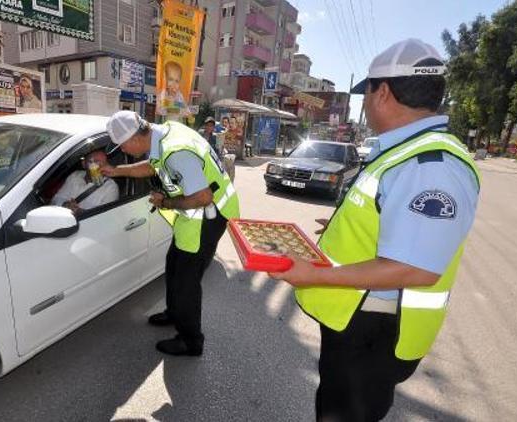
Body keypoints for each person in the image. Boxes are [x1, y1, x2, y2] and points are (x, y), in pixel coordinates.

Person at [269, 39, 481, 421]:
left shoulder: (429, 164)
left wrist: (314, 273)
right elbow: (389, 218)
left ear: (382, 92)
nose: (365, 104)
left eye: (366, 93)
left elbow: (416, 267)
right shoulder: (407, 151)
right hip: (361, 319)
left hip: (374, 329)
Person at [102, 110, 240, 356]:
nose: (123, 151)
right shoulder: (163, 135)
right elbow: (152, 166)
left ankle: (190, 340)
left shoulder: (176, 152)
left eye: (122, 146)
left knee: (186, 281)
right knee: (173, 264)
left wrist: (164, 202)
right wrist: (118, 171)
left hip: (209, 215)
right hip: (195, 216)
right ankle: (174, 312)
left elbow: (202, 197)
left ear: (134, 138)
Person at [51, 150, 119, 215]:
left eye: (103, 163)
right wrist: (65, 205)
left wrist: (79, 212)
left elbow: (105, 217)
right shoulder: (75, 176)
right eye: (94, 162)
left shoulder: (111, 187)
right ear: (84, 164)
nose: (99, 167)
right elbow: (56, 199)